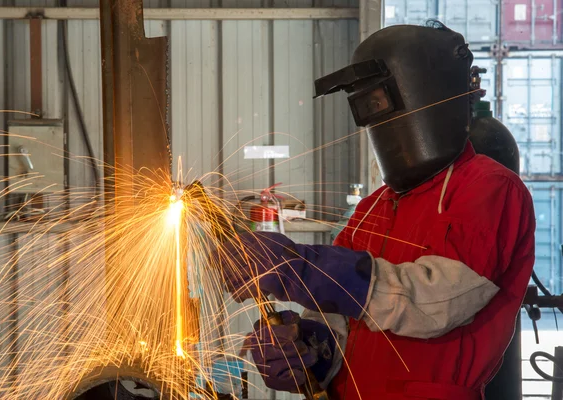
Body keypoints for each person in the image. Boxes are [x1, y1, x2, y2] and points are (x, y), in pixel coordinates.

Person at [215, 22, 536, 400]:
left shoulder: (489, 188)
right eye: (371, 111)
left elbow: (434, 302)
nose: (381, 125)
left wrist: (301, 266)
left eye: (383, 105)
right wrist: (308, 348)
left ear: (426, 96)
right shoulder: (372, 208)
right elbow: (341, 321)